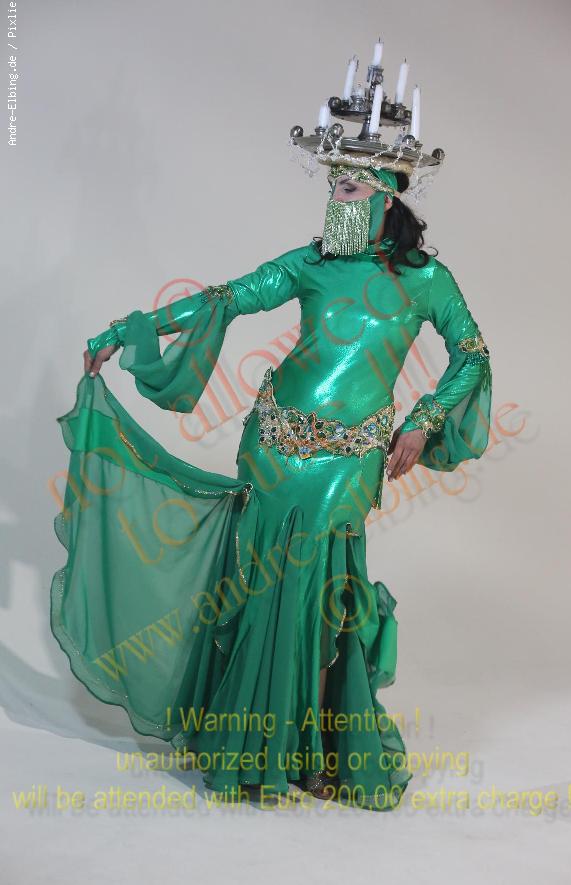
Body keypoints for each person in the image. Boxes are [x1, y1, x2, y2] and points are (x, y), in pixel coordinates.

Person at [52, 159, 491, 812]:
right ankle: (259, 749)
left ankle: (312, 750)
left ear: (384, 198)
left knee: (320, 588)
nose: (334, 200)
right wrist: (124, 332)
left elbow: (472, 353)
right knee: (261, 582)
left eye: (346, 189)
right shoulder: (310, 263)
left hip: (349, 458)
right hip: (274, 444)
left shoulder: (428, 279)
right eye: (332, 188)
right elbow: (224, 298)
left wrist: (423, 421)